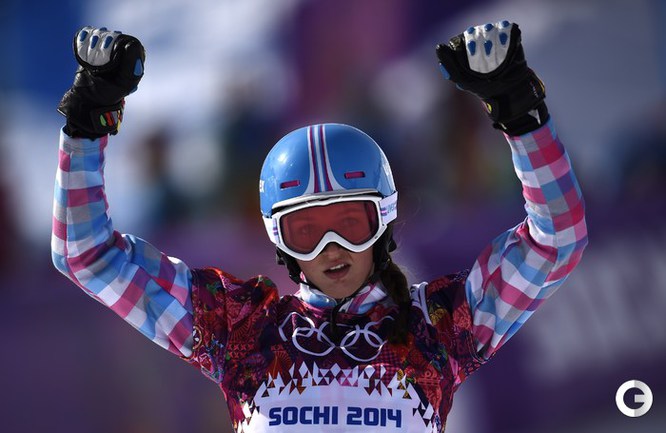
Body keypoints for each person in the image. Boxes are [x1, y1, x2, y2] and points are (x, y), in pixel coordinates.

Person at [52, 21, 588, 432]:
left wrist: (520, 112)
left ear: (384, 223)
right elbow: (86, 256)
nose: (333, 248)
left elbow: (557, 240)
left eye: (351, 223)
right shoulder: (241, 331)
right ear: (279, 242)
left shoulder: (440, 327)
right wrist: (87, 121)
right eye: (306, 232)